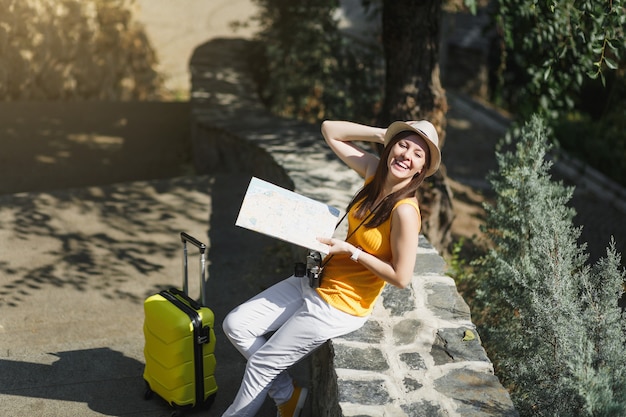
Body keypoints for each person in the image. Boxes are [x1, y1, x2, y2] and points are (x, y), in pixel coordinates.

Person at [221, 119, 441, 417]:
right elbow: (330, 130)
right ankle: (287, 396)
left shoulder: (405, 212)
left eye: (418, 154)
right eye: (403, 145)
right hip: (317, 279)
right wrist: (384, 135)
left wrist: (353, 252)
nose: (406, 155)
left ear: (421, 170)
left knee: (262, 363)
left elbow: (401, 277)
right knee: (236, 324)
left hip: (340, 305)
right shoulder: (375, 171)